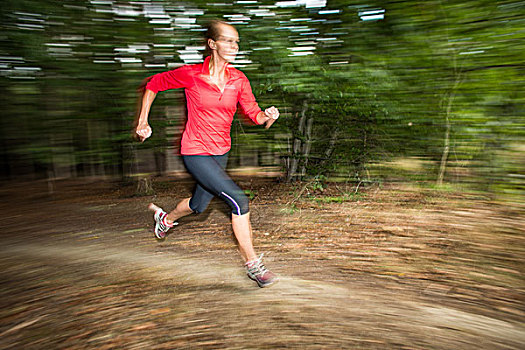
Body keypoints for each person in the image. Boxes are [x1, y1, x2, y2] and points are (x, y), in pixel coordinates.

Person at [135, 20, 279, 288]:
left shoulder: (239, 80)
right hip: (195, 150)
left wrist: (268, 116)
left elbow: (254, 114)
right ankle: (253, 265)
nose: (234, 46)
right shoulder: (191, 75)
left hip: (220, 151)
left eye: (236, 42)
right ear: (212, 44)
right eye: (227, 40)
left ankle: (164, 220)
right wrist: (143, 121)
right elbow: (153, 84)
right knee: (239, 201)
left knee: (198, 205)